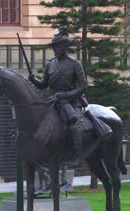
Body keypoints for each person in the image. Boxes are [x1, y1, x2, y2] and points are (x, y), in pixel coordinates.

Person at [28, 27, 87, 163]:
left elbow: (83, 86)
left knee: (75, 125)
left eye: (58, 47)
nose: (55, 49)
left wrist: (66, 95)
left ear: (65, 47)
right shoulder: (51, 64)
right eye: (54, 47)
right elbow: (44, 84)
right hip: (54, 100)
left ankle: (77, 155)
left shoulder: (75, 64)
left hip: (72, 102)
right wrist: (33, 80)